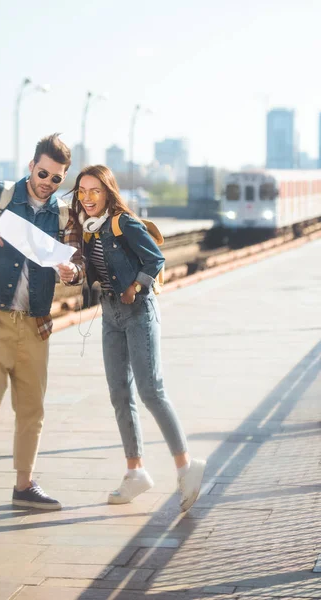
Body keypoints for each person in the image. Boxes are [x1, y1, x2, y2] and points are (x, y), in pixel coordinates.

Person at [0, 134, 83, 520]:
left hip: (36, 323)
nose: (48, 182)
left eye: (57, 178)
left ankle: (24, 486)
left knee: (32, 409)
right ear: (31, 166)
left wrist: (73, 272)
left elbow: (79, 265)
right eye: (43, 173)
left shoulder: (63, 215)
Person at [70, 165, 206, 511]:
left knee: (151, 390)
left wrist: (135, 286)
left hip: (139, 312)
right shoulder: (88, 231)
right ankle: (136, 473)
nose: (87, 197)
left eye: (94, 191)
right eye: (82, 191)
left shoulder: (123, 223)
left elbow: (155, 258)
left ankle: (186, 467)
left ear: (108, 192)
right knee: (119, 393)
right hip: (110, 315)